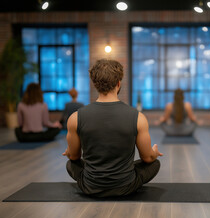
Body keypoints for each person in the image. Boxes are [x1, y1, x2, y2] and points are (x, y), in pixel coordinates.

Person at [63, 59, 162, 197]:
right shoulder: (138, 117)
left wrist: (68, 152)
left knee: (70, 164)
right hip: (126, 187)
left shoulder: (75, 117)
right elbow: (147, 159)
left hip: (90, 186)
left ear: (95, 84)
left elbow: (74, 157)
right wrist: (155, 153)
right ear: (118, 83)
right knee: (155, 164)